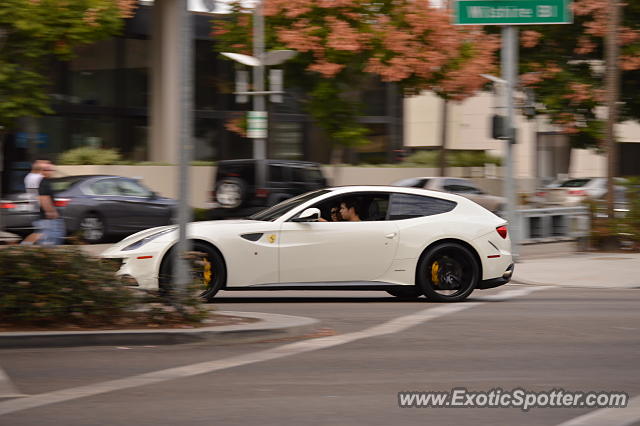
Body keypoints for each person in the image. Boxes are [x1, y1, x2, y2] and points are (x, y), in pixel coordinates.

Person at [20, 159, 51, 245]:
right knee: (40, 232)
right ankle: (22, 247)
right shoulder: (39, 178)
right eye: (43, 164)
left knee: (41, 232)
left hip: (35, 207)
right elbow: (43, 194)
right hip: (39, 208)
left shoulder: (29, 176)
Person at [37, 164, 65, 245]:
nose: (51, 172)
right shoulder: (44, 183)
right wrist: (51, 212)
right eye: (48, 170)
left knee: (51, 242)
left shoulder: (47, 182)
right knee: (49, 243)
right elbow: (43, 198)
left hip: (48, 219)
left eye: (51, 170)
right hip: (47, 220)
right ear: (43, 172)